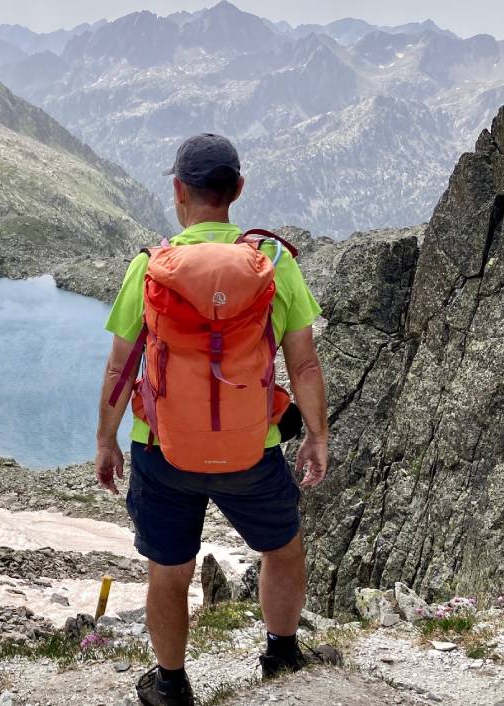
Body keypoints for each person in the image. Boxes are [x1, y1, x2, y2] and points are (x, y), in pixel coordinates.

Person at [94, 134, 336, 706]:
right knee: (282, 549)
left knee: (170, 569)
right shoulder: (273, 266)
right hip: (253, 448)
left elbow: (120, 367)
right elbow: (302, 362)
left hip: (160, 448)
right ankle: (281, 654)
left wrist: (107, 442)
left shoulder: (149, 269)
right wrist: (318, 436)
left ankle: (171, 685)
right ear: (238, 190)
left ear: (179, 190)